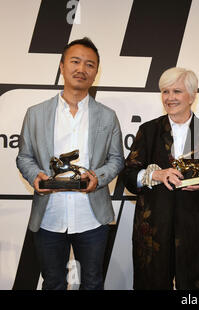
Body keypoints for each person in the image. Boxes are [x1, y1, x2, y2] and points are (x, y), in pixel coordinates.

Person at [16, 38, 124, 290]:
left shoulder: (108, 116)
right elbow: (24, 156)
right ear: (62, 66)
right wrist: (35, 177)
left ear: (95, 73)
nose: (81, 69)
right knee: (52, 283)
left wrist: (98, 176)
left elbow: (117, 159)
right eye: (75, 61)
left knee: (93, 283)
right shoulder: (35, 113)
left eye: (89, 64)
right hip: (49, 216)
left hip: (92, 217)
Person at [123, 67, 199, 290]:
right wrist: (154, 174)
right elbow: (128, 176)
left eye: (176, 91)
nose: (170, 98)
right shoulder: (148, 131)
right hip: (153, 230)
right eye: (165, 92)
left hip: (195, 228)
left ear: (192, 95)